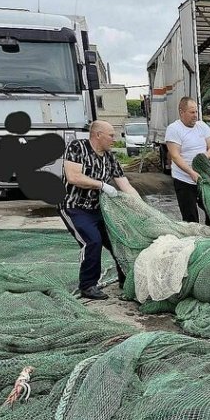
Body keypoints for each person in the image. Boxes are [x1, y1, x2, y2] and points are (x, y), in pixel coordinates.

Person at [59, 120, 141, 300]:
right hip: (74, 208)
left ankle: (125, 279)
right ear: (98, 135)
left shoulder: (110, 157)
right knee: (92, 241)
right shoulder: (77, 147)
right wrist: (102, 185)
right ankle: (87, 285)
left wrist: (142, 206)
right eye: (111, 135)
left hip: (98, 209)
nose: (114, 139)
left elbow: (125, 185)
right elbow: (73, 177)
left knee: (119, 240)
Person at [165, 96, 210, 225]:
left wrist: (203, 157)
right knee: (190, 216)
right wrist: (191, 172)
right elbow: (175, 156)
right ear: (182, 112)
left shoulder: (202, 126)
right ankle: (194, 240)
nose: (195, 115)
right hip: (184, 179)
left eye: (196, 112)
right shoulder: (174, 129)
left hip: (203, 177)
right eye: (192, 112)